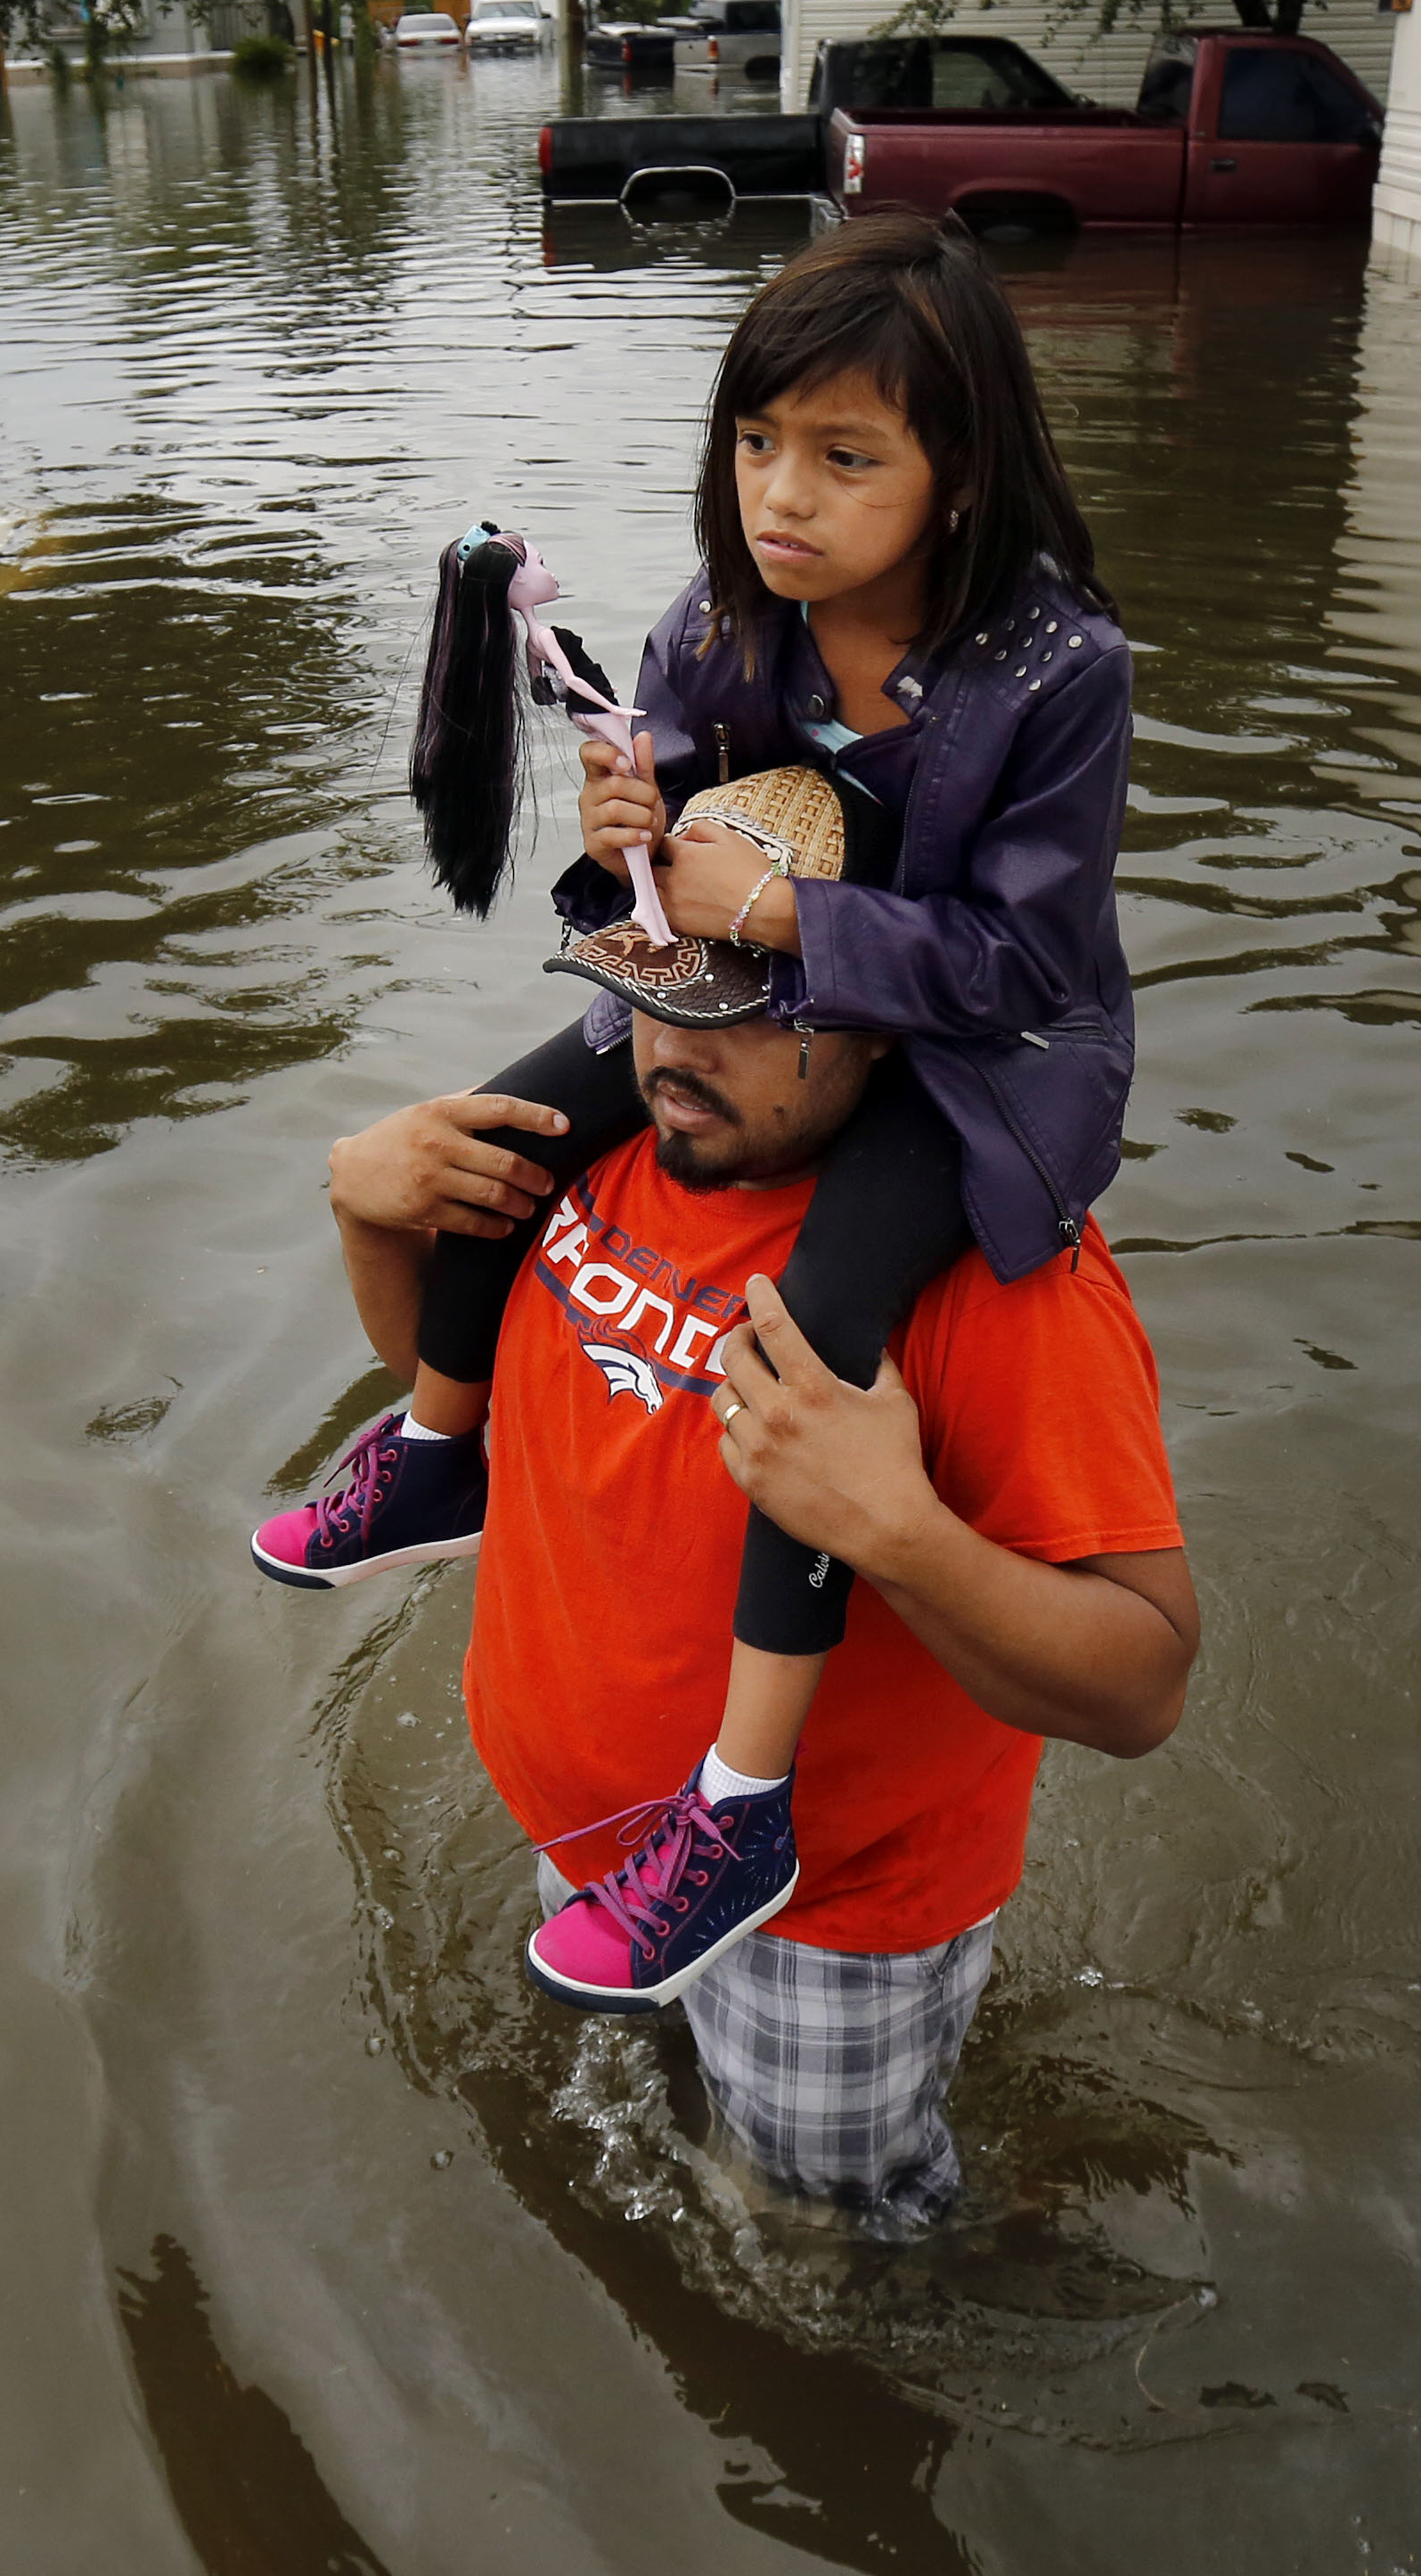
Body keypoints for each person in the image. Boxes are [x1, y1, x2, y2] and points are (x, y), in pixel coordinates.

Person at [255, 215, 1139, 2013]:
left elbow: (1027, 968)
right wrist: (625, 853)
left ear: (956, 480)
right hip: (737, 998)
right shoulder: (722, 620)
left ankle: (740, 1803)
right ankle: (434, 1449)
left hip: (957, 1060)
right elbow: (656, 901)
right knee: (483, 1143)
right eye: (756, 444)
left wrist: (789, 915)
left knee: (809, 1350)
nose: (781, 497)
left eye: (843, 455)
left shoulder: (1056, 672)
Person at [314, 879, 1192, 2222]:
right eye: (653, 998)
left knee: (837, 2242)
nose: (672, 1052)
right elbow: (485, 1417)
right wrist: (370, 1217)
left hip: (829, 1917)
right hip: (591, 1838)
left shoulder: (1002, 1284)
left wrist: (896, 1531)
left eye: (743, 1013)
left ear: (887, 1026)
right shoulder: (592, 1162)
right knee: (637, 2130)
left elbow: (1142, 1688)